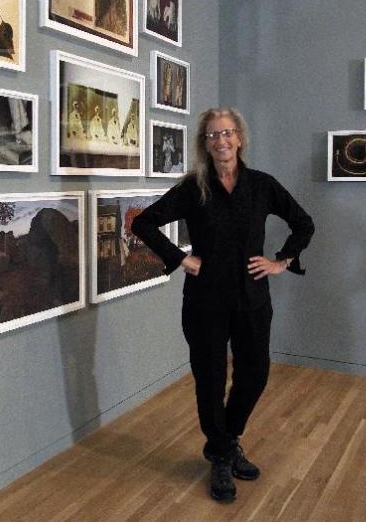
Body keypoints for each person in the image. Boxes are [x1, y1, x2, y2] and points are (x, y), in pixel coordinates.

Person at [131, 107, 314, 503]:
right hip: (205, 301)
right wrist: (180, 257)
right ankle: (221, 456)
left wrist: (281, 261)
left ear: (240, 138)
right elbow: (142, 222)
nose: (221, 141)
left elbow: (304, 223)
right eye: (213, 135)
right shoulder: (192, 188)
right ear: (205, 143)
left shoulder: (263, 185)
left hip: (252, 297)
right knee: (210, 380)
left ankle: (226, 443)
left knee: (255, 374)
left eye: (227, 133)